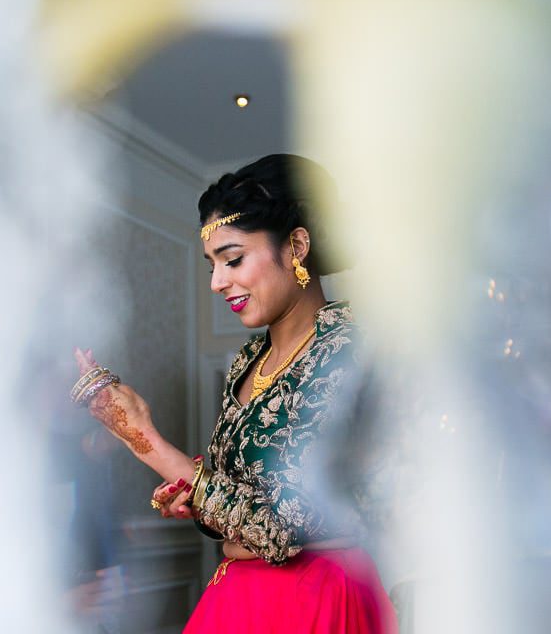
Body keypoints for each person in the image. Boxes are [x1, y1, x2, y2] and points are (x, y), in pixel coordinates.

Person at [73, 154, 397, 632]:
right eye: (212, 265)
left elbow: (279, 530)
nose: (217, 282)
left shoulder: (347, 347)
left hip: (314, 599)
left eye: (233, 259)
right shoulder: (249, 360)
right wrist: (196, 493)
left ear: (297, 246)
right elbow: (238, 504)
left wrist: (144, 438)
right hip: (238, 596)